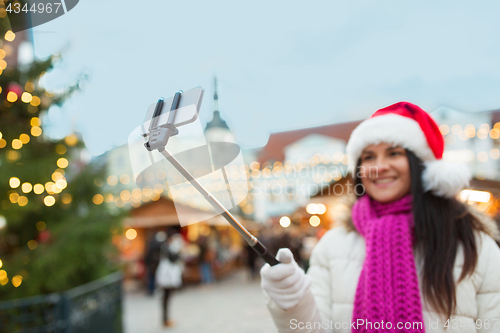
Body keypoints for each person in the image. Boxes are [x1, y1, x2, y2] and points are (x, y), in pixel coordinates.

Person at [260, 102, 500, 333]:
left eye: (394, 153)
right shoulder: (333, 246)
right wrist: (293, 303)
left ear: (420, 164)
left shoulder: (474, 246)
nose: (379, 166)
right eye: (368, 157)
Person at [155, 232, 184, 328]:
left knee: (166, 298)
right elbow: (173, 258)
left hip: (166, 275)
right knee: (166, 297)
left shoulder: (165, 247)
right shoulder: (165, 248)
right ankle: (165, 319)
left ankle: (166, 319)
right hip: (166, 276)